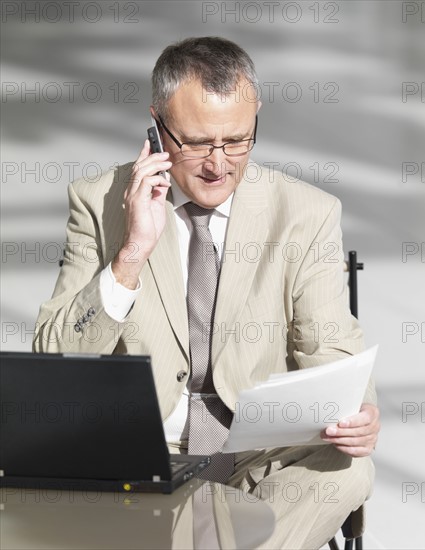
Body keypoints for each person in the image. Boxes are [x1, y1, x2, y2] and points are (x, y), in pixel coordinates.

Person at [33, 36, 380, 549]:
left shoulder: (307, 213)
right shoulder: (98, 203)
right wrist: (132, 252)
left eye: (238, 140)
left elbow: (331, 348)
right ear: (156, 124)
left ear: (256, 117)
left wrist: (359, 415)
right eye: (196, 143)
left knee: (347, 468)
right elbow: (54, 365)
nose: (219, 164)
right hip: (141, 462)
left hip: (260, 458)